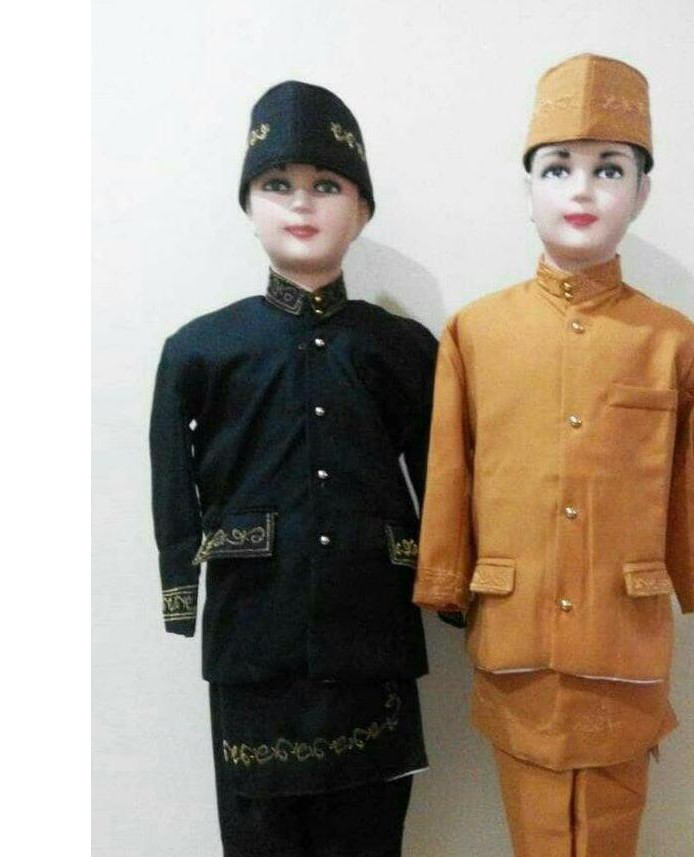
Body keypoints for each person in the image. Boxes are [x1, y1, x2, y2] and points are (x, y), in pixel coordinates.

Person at [412, 53, 694, 857]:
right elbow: (448, 471)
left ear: (640, 193)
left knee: (612, 832)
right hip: (513, 636)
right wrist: (442, 576)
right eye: (556, 168)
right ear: (527, 188)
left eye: (608, 169)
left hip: (621, 639)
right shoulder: (475, 332)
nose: (581, 190)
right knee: (530, 829)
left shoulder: (670, 341)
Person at [149, 80, 437, 857]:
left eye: (327, 185)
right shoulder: (200, 349)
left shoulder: (403, 349)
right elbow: (171, 478)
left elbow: (442, 479)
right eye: (277, 183)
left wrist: (454, 593)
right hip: (253, 632)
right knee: (260, 838)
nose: (301, 202)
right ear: (248, 204)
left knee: (369, 838)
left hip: (372, 627)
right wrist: (180, 590)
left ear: (362, 210)